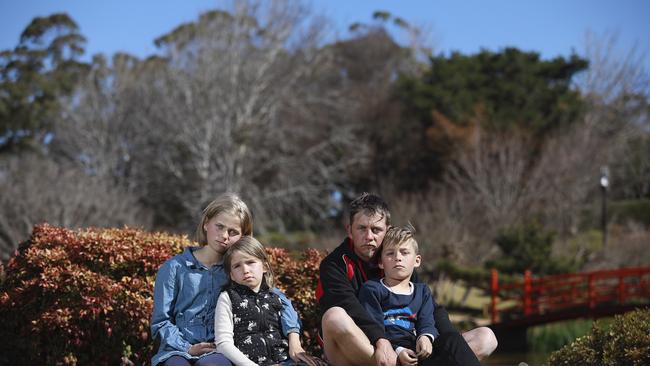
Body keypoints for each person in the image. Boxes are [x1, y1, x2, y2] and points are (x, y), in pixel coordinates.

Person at [317, 193, 497, 366]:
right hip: (363, 346)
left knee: (485, 338)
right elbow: (351, 308)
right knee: (335, 316)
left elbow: (429, 308)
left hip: (406, 345)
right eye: (362, 228)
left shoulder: (397, 261)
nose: (369, 236)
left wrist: (446, 341)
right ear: (349, 230)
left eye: (376, 229)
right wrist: (382, 341)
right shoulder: (333, 265)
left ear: (387, 230)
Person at [151, 193, 302, 366]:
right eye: (219, 226)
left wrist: (294, 338)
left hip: (221, 350)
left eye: (233, 232)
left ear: (243, 237)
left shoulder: (237, 269)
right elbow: (161, 321)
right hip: (177, 350)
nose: (224, 236)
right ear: (206, 223)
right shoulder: (174, 268)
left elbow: (277, 298)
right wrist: (186, 347)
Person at [358, 225, 481, 366]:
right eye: (390, 253)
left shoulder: (422, 291)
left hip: (419, 348)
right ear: (381, 262)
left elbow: (427, 321)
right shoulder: (372, 289)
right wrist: (398, 350)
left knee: (452, 339)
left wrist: (426, 337)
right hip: (391, 351)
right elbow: (374, 328)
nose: (397, 258)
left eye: (404, 252)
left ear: (417, 261)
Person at [215, 236, 325, 366]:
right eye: (237, 266)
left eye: (250, 262)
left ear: (265, 267)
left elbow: (293, 324)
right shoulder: (227, 298)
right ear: (232, 275)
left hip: (285, 362)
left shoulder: (277, 297)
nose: (245, 270)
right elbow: (223, 343)